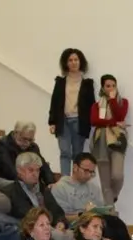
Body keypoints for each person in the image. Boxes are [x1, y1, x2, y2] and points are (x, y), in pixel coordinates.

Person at [48, 48, 94, 176]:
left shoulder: (87, 83)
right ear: (66, 63)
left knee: (77, 154)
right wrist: (52, 122)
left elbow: (91, 105)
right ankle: (65, 181)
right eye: (70, 60)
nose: (73, 62)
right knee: (64, 152)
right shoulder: (60, 82)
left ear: (81, 62)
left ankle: (76, 180)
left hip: (79, 121)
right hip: (63, 121)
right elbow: (54, 102)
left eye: (76, 60)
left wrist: (90, 124)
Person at [90, 74, 128, 204]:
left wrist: (112, 100)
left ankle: (114, 195)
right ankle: (110, 213)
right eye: (108, 86)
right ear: (102, 87)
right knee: (105, 183)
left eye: (113, 85)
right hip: (101, 141)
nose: (111, 88)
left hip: (117, 140)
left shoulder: (123, 102)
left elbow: (120, 115)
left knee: (117, 176)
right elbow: (94, 120)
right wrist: (114, 123)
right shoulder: (96, 105)